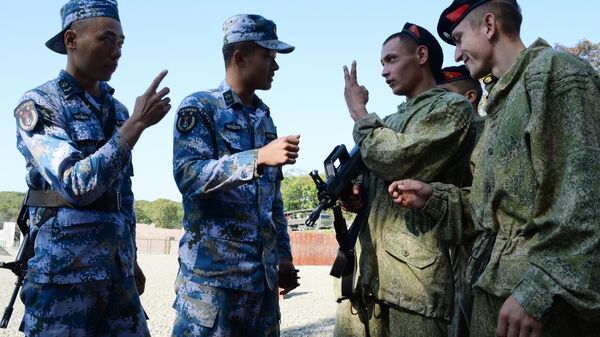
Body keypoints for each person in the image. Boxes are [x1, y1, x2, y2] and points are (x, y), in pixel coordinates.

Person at [389, 1, 600, 336]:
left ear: (489, 25)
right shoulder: (501, 102)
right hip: (498, 297)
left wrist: (539, 290)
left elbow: (585, 197)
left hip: (539, 310)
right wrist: (434, 197)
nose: (456, 54)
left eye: (459, 39)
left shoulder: (555, 74)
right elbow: (495, 212)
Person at [14, 0, 171, 335]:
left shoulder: (117, 110)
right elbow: (75, 185)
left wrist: (132, 258)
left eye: (120, 42)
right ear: (71, 40)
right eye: (106, 39)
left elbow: (122, 196)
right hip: (64, 281)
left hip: (118, 277)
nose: (116, 51)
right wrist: (136, 126)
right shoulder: (41, 104)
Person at [334, 23, 475, 337]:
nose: (384, 71)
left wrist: (358, 111)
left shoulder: (452, 109)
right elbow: (378, 177)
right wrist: (355, 195)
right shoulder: (391, 120)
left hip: (414, 284)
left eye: (391, 59)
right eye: (382, 63)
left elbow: (396, 160)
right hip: (368, 276)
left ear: (421, 55)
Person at [171, 14, 300, 337]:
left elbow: (273, 201)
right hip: (213, 287)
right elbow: (188, 176)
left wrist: (283, 257)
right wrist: (257, 158)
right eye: (269, 57)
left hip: (262, 287)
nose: (276, 66)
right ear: (240, 58)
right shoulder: (200, 108)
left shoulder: (263, 118)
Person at [438, 65, 484, 143]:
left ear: (470, 96)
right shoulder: (440, 137)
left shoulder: (494, 127)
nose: (437, 100)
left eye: (443, 93)